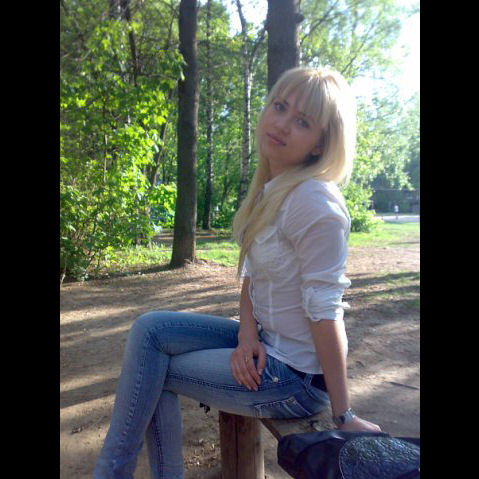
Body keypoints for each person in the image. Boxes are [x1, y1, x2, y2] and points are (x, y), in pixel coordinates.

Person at [93, 66, 381, 479]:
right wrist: (247, 334)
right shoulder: (273, 188)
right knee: (150, 330)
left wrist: (344, 415)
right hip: (266, 343)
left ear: (321, 143)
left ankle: (111, 473)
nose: (282, 124)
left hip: (296, 379)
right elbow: (251, 273)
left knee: (153, 373)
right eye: (279, 107)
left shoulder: (315, 203)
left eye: (303, 121)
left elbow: (326, 311)